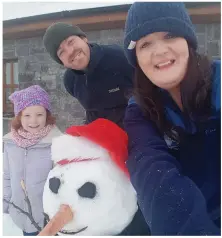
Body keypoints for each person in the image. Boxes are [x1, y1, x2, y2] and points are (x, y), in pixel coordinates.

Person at [123, 2, 221, 235]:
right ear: (136, 59)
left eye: (171, 35)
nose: (159, 51)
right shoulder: (138, 112)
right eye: (145, 43)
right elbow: (152, 172)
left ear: (188, 42)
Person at [43, 22, 134, 128]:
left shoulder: (120, 58)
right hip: (101, 135)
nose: (70, 51)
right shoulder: (70, 81)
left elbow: (148, 96)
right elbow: (91, 112)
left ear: (83, 39)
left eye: (71, 42)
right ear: (62, 62)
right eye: (61, 52)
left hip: (135, 129)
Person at [3, 85, 62, 236]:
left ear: (47, 115)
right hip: (23, 214)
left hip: (49, 218)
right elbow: (8, 176)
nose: (34, 121)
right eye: (27, 115)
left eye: (39, 114)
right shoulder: (10, 143)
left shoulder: (57, 142)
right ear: (19, 117)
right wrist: (6, 202)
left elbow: (63, 182)